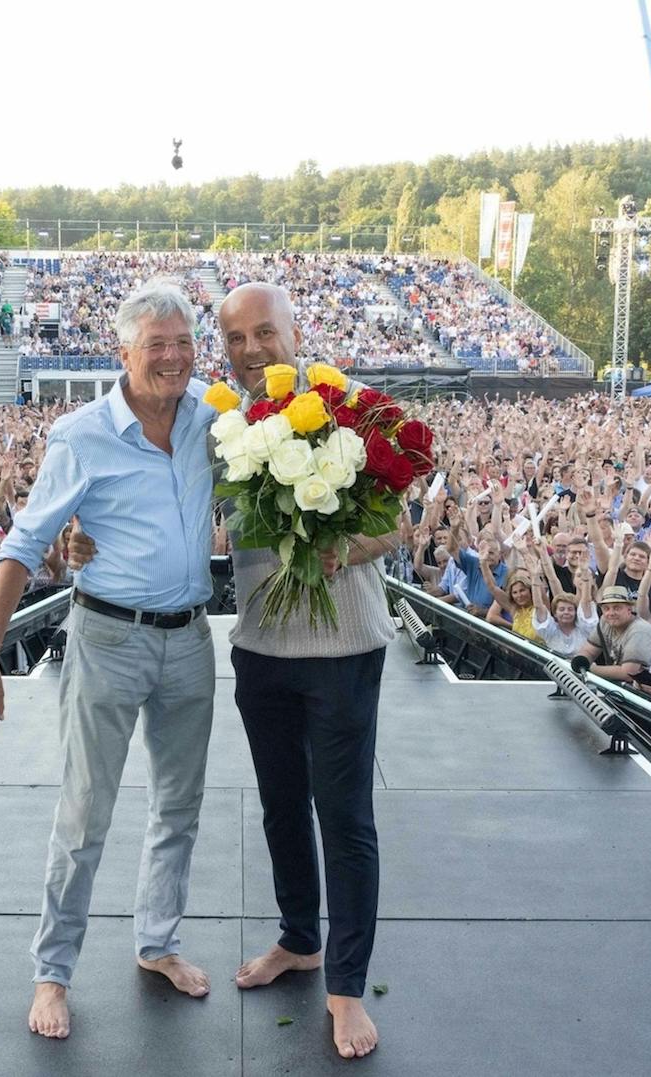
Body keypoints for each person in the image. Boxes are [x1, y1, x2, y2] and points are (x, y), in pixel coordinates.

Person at [0, 279, 218, 1041]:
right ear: (124, 351)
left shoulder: (215, 415)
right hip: (109, 637)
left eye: (182, 343)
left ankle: (158, 941)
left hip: (192, 639)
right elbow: (24, 544)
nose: (172, 358)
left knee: (178, 807)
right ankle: (53, 973)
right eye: (156, 346)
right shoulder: (82, 433)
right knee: (86, 812)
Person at [216, 280, 395, 1059]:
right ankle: (299, 937)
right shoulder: (223, 417)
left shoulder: (347, 401)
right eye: (236, 339)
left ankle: (347, 988)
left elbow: (398, 522)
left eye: (265, 333)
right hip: (261, 648)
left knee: (344, 814)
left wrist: (340, 547)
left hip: (344, 647)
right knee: (282, 806)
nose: (253, 350)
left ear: (297, 330)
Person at [576, 586, 651, 683]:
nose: (611, 613)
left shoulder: (640, 630)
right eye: (606, 608)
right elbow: (589, 651)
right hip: (618, 687)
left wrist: (587, 669)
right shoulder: (605, 621)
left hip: (644, 692)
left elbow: (629, 674)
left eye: (617, 608)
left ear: (629, 609)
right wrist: (579, 662)